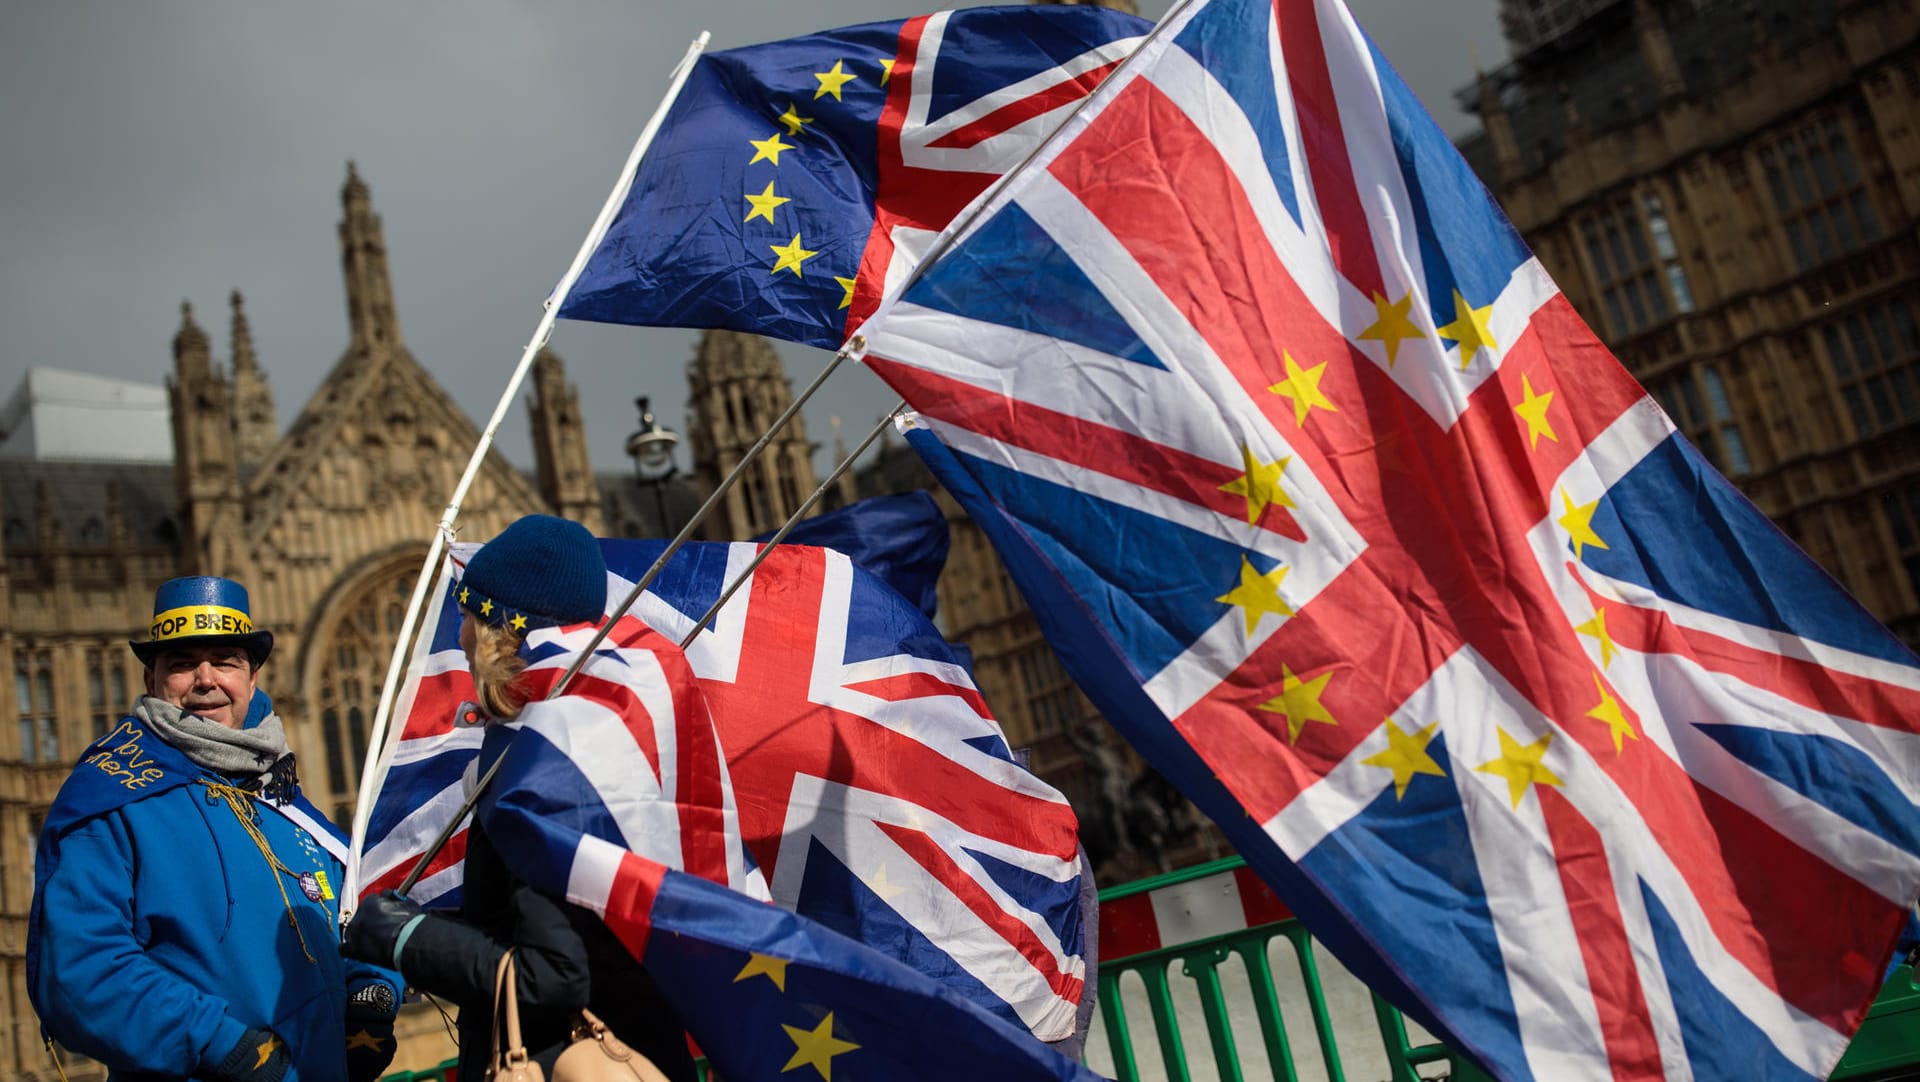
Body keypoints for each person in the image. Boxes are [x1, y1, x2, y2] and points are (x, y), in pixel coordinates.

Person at [345, 514, 696, 1081]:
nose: (458, 637)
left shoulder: (545, 763)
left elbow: (555, 977)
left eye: (465, 615)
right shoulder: (606, 737)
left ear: (501, 630)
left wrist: (404, 936)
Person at [27, 576, 402, 1082]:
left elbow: (352, 915)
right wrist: (223, 1046)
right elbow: (80, 970)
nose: (206, 679)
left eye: (225, 660)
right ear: (151, 681)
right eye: (182, 664)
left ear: (252, 679)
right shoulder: (110, 799)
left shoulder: (280, 794)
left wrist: (374, 992)